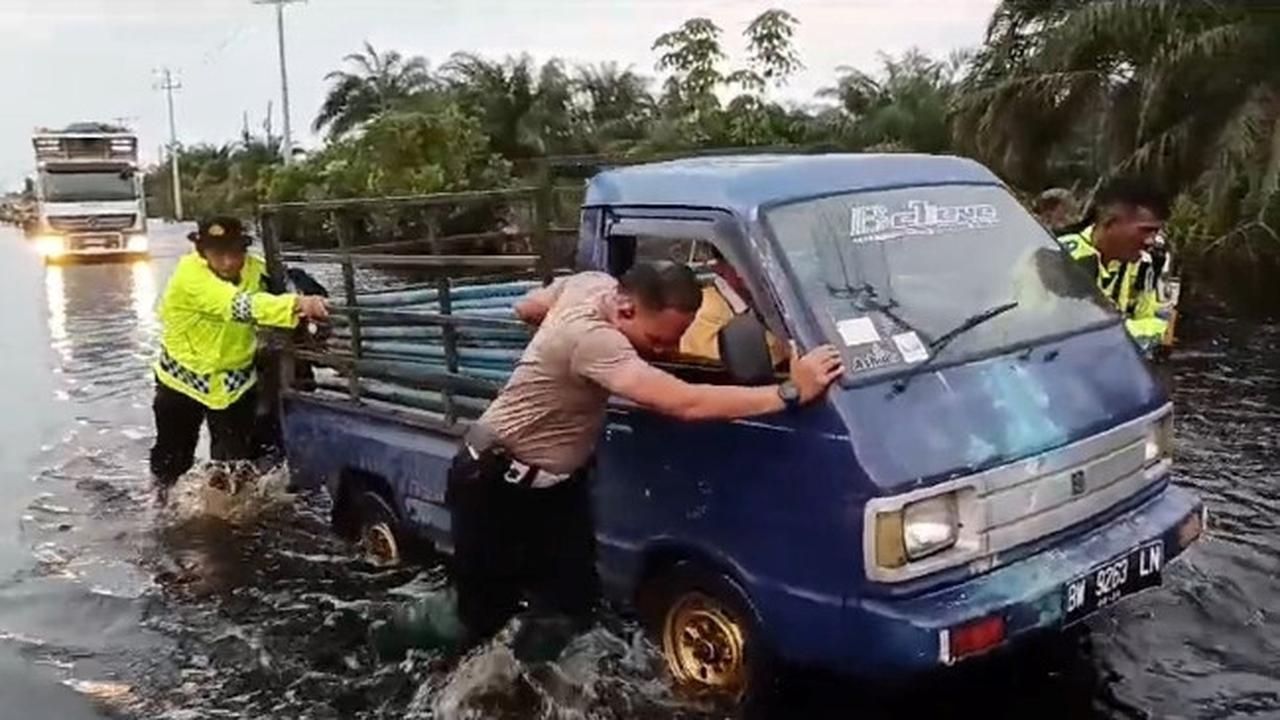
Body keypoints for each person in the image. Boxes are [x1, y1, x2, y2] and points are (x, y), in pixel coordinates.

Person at [445, 261, 843, 651]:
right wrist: (790, 392)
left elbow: (527, 306)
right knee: (484, 617)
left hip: (557, 487)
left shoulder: (590, 283)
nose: (666, 350)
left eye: (676, 340)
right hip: (493, 484)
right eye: (657, 340)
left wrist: (549, 333)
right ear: (626, 309)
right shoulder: (596, 340)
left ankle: (539, 675)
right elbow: (685, 403)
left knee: (575, 604)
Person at [150, 216, 329, 501]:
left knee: (234, 465)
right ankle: (161, 502)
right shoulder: (189, 276)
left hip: (233, 382)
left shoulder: (256, 271)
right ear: (202, 253)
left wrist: (306, 294)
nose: (228, 263)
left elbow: (283, 285)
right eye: (218, 255)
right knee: (172, 458)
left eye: (235, 253)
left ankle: (224, 511)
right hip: (183, 379)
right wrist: (297, 305)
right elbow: (238, 304)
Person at [1057, 179, 1172, 352]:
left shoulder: (1146, 263)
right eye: (1146, 230)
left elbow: (1162, 324)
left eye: (1156, 231)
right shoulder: (1061, 258)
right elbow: (1078, 336)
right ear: (1110, 223)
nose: (1151, 241)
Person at [678, 245, 788, 367]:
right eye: (739, 264)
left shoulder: (779, 301)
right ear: (719, 267)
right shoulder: (705, 311)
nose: (745, 273)